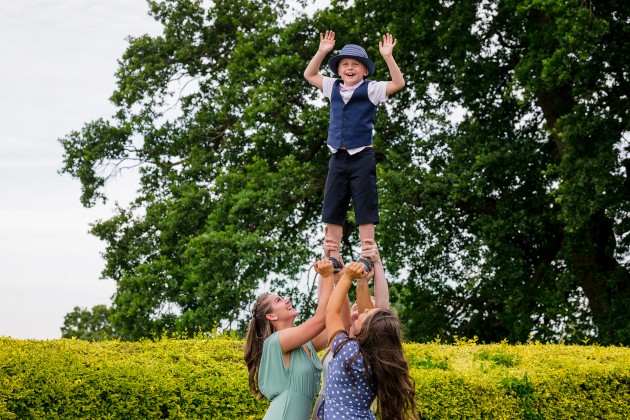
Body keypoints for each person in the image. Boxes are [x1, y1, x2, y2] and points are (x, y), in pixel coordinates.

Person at [304, 30, 406, 270]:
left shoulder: (371, 89)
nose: (350, 68)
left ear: (365, 71)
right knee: (333, 205)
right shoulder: (332, 86)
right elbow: (309, 74)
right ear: (338, 70)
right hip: (337, 156)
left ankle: (367, 255)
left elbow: (399, 83)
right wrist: (322, 52)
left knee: (365, 203)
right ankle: (333, 255)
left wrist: (388, 57)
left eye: (356, 65)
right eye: (345, 64)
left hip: (361, 156)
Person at [324, 261, 419, 419]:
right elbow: (367, 319)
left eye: (368, 313)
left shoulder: (349, 352)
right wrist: (362, 282)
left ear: (368, 330)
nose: (366, 309)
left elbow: (331, 312)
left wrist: (346, 277)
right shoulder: (375, 359)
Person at [244, 257, 335, 419]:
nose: (287, 300)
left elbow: (334, 327)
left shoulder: (305, 344)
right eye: (279, 300)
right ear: (271, 316)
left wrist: (338, 276)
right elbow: (320, 320)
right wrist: (327, 277)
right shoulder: (277, 341)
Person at [311, 238, 389, 420]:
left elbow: (331, 310)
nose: (364, 308)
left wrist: (374, 264)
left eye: (369, 308)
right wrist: (331, 262)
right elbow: (332, 303)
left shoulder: (358, 347)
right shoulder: (344, 335)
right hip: (324, 407)